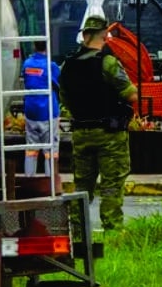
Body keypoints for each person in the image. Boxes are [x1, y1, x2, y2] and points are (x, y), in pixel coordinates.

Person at [58, 16, 136, 231]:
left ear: (84, 35)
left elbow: (64, 100)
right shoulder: (108, 62)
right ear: (105, 36)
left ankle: (77, 228)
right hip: (109, 133)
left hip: (81, 133)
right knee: (111, 183)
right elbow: (131, 95)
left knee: (82, 183)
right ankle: (112, 227)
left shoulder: (68, 65)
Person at [21, 40, 61, 183]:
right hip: (48, 112)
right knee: (51, 149)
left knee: (31, 149)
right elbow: (59, 84)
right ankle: (50, 182)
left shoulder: (27, 64)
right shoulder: (51, 66)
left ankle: (29, 180)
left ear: (34, 46)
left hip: (31, 111)